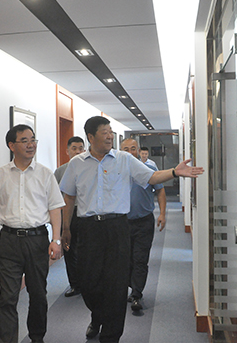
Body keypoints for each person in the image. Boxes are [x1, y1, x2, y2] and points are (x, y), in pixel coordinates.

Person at [60, 116, 203, 342]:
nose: (110, 136)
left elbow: (151, 176)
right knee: (88, 282)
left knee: (116, 284)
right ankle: (97, 316)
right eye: (105, 132)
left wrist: (175, 172)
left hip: (117, 227)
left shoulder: (124, 159)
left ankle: (111, 335)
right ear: (91, 137)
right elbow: (68, 196)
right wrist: (65, 227)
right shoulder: (77, 164)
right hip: (88, 228)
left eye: (111, 131)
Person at [0, 125, 64, 343]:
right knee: (8, 297)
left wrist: (56, 239)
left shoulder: (45, 174)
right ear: (12, 145)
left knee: (38, 294)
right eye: (25, 140)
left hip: (37, 240)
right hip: (9, 241)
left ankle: (37, 337)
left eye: (33, 140)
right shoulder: (0, 175)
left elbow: (55, 208)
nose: (31, 144)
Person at [119, 138, 166, 315]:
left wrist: (162, 214)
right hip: (121, 222)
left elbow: (160, 190)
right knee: (124, 259)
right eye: (126, 149)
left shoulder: (149, 169)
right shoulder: (115, 169)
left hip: (143, 221)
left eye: (133, 148)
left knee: (140, 258)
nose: (130, 152)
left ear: (138, 151)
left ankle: (137, 294)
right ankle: (128, 287)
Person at [53, 135, 85, 297]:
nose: (78, 151)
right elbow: (55, 197)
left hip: (85, 215)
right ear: (67, 151)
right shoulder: (60, 171)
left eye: (80, 148)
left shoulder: (90, 168)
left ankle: (88, 284)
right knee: (69, 250)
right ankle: (75, 284)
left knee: (86, 250)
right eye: (74, 148)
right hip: (67, 215)